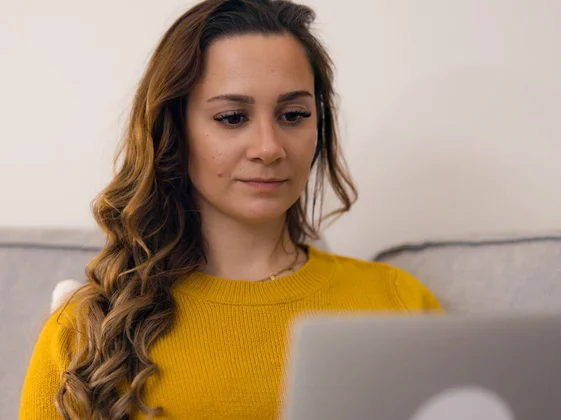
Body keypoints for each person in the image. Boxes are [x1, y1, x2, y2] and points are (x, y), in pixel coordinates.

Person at [19, 0, 443, 418]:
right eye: (232, 117)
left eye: (293, 114)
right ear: (176, 129)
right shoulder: (89, 330)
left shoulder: (398, 301)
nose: (268, 147)